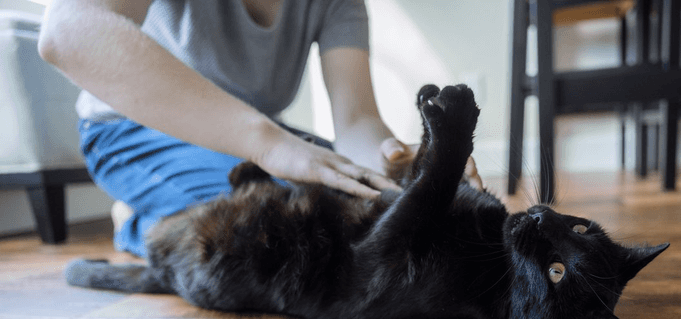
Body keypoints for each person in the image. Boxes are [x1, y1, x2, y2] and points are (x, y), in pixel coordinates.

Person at [38, 0, 481, 257]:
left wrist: (407, 166)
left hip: (254, 139)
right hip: (128, 131)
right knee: (274, 232)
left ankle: (165, 205)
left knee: (351, 206)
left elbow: (356, 120)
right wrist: (267, 143)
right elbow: (65, 33)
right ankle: (143, 225)